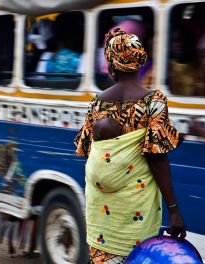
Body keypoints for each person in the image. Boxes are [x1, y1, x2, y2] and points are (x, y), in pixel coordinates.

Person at [74, 28, 186, 263]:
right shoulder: (153, 102)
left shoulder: (96, 104)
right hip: (138, 211)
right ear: (140, 61)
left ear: (111, 66)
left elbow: (89, 153)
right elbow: (158, 158)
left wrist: (113, 168)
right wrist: (173, 209)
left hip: (101, 215)